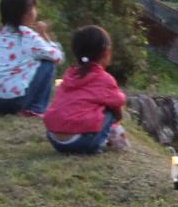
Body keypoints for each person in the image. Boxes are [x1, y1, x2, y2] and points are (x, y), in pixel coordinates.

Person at [43, 24, 129, 155]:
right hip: (81, 143)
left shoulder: (68, 75)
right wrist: (116, 120)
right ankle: (110, 138)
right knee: (110, 110)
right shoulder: (104, 79)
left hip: (55, 139)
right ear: (107, 52)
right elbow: (119, 103)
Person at [0, 0, 61, 118]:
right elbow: (58, 57)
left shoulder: (1, 34)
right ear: (26, 14)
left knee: (31, 63)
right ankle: (37, 108)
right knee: (48, 63)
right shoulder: (29, 36)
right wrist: (44, 35)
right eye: (34, 7)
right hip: (14, 100)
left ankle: (25, 106)